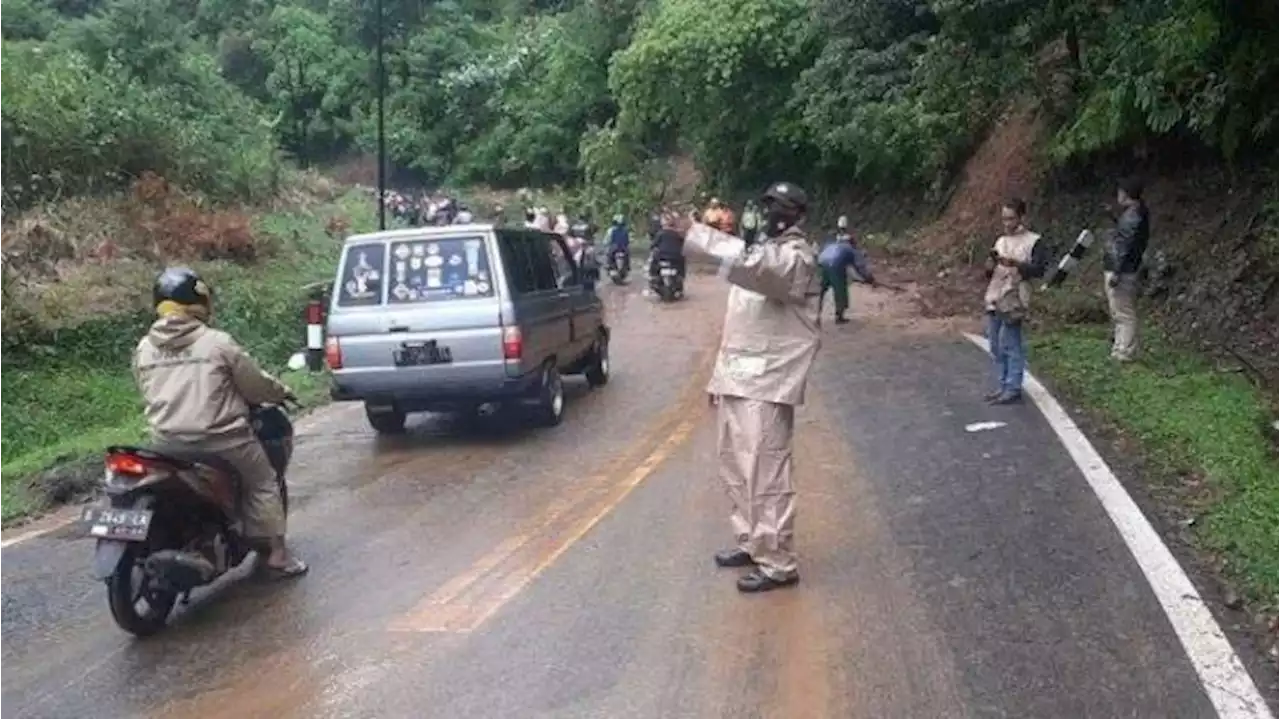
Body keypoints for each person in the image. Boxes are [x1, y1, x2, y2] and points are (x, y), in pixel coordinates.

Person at [673, 182, 819, 593]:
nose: (774, 215)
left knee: (766, 472)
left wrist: (699, 235)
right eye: (770, 206)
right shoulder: (761, 254)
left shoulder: (795, 258)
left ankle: (778, 562)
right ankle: (752, 542)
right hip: (738, 377)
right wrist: (718, 377)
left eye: (783, 209)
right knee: (736, 467)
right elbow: (738, 325)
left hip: (770, 382)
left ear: (798, 216)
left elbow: (757, 267)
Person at [133, 268, 307, 578]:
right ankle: (277, 556)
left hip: (165, 444)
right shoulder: (217, 343)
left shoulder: (145, 347)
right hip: (222, 441)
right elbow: (254, 385)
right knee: (262, 481)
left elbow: (144, 387)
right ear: (199, 302)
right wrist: (281, 392)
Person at [983, 198, 1048, 404]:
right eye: (1004, 219)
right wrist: (991, 264)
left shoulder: (1034, 241)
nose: (1007, 223)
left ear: (1022, 217)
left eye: (1011, 218)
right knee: (994, 344)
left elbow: (1039, 270)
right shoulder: (1000, 241)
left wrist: (1016, 264)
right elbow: (988, 273)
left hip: (1016, 298)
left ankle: (1013, 387)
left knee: (1011, 343)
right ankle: (1003, 384)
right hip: (995, 295)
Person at [1104, 176, 1150, 362]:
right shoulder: (1136, 213)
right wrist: (1114, 218)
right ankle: (1120, 347)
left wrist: (1116, 271)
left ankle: (1124, 351)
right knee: (1119, 310)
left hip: (1124, 269)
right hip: (1128, 267)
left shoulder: (1133, 216)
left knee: (1123, 311)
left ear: (1125, 193)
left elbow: (1125, 245)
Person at [817, 215, 877, 324]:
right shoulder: (850, 249)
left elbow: (821, 252)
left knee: (821, 289)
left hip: (823, 262)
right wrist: (869, 278)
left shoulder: (832, 242)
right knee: (840, 290)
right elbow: (860, 266)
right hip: (835, 264)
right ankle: (839, 316)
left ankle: (817, 314)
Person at [650, 211, 687, 282]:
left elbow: (653, 245)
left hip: (662, 256)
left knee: (654, 261)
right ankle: (681, 276)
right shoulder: (678, 234)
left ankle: (653, 275)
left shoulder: (660, 233)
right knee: (682, 260)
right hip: (675, 257)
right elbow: (683, 245)